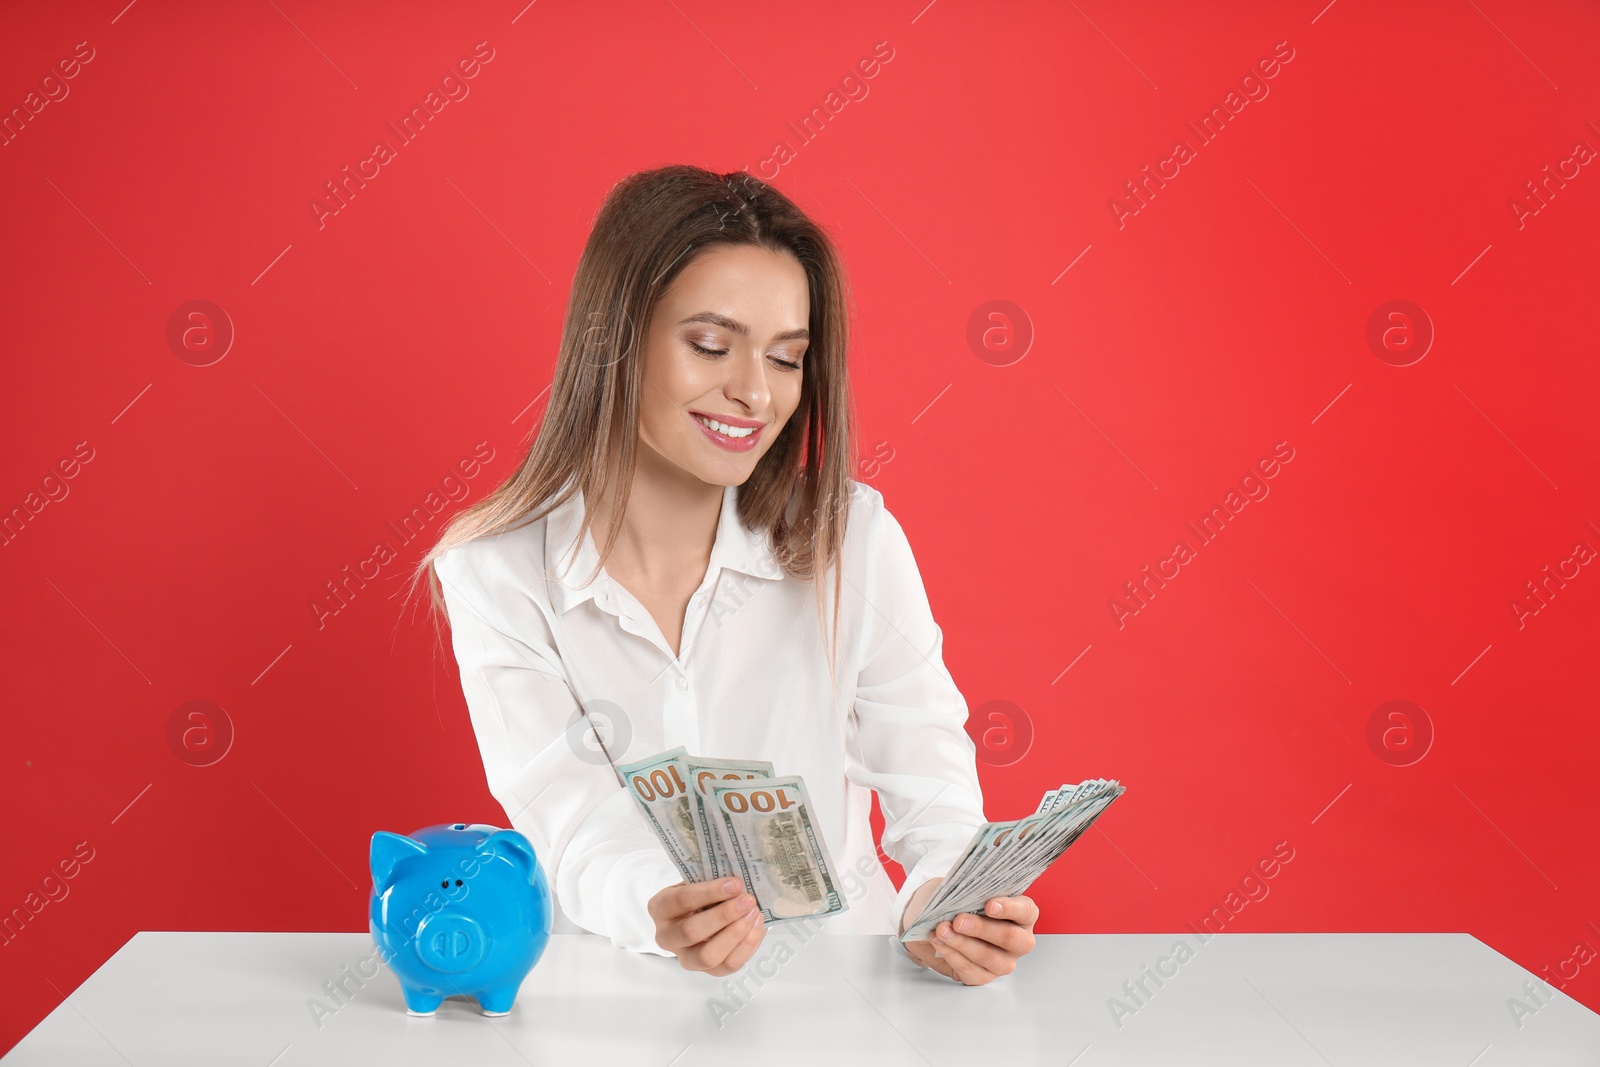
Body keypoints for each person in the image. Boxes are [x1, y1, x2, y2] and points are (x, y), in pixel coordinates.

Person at [412, 165, 1037, 985]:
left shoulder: (853, 537)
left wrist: (946, 896)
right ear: (615, 337)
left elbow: (928, 771)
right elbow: (567, 816)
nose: (752, 392)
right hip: (618, 1009)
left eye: (786, 359)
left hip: (843, 1009)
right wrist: (659, 903)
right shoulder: (494, 570)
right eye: (711, 345)